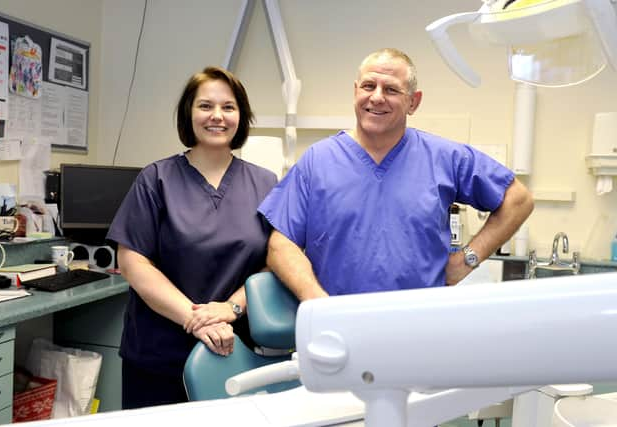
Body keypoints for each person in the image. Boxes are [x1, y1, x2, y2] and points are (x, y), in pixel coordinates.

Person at [258, 48, 534, 300]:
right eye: (368, 86)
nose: (376, 97)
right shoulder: (317, 161)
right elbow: (280, 245)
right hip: (338, 325)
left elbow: (518, 199)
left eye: (391, 89)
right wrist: (317, 300)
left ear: (414, 102)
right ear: (356, 91)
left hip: (416, 325)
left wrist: (467, 260)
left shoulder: (443, 158)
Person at [106, 66, 278, 409]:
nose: (217, 116)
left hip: (235, 352)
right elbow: (133, 261)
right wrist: (194, 318)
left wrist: (230, 308)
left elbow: (276, 264)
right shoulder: (156, 178)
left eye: (228, 107)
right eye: (205, 106)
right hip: (159, 356)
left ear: (241, 116)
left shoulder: (266, 183)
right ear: (189, 113)